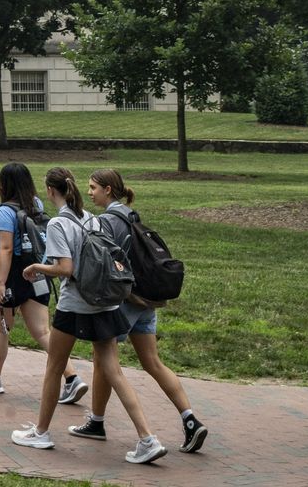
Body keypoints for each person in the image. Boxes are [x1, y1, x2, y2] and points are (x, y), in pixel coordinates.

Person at [8, 167, 165, 465]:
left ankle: (41, 432)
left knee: (54, 368)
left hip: (75, 305)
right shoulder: (91, 218)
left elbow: (65, 269)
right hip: (105, 304)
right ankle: (147, 439)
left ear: (51, 191)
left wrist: (36, 269)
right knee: (115, 372)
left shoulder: (58, 224)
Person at [71, 169, 207, 455]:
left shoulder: (107, 221)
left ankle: (97, 423)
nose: (90, 192)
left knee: (103, 360)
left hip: (123, 300)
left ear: (108, 190)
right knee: (153, 362)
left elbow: (101, 261)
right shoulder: (131, 215)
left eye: (93, 187)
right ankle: (190, 420)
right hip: (146, 300)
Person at [0, 162, 90, 407]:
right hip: (38, 271)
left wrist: (1, 284)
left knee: (0, 327)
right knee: (42, 332)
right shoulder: (35, 204)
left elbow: (5, 249)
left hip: (13, 272)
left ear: (6, 185)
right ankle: (72, 378)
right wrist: (2, 191)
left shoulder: (5, 212)